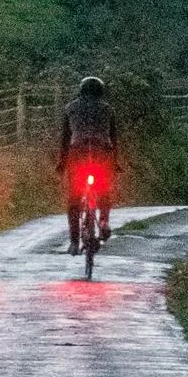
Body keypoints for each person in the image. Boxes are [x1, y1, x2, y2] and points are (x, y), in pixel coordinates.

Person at [58, 76, 120, 255]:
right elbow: (113, 139)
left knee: (74, 200)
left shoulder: (70, 108)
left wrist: (62, 162)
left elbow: (65, 139)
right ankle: (103, 221)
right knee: (104, 191)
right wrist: (115, 162)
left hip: (77, 153)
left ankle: (74, 241)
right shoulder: (107, 109)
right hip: (102, 153)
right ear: (100, 92)